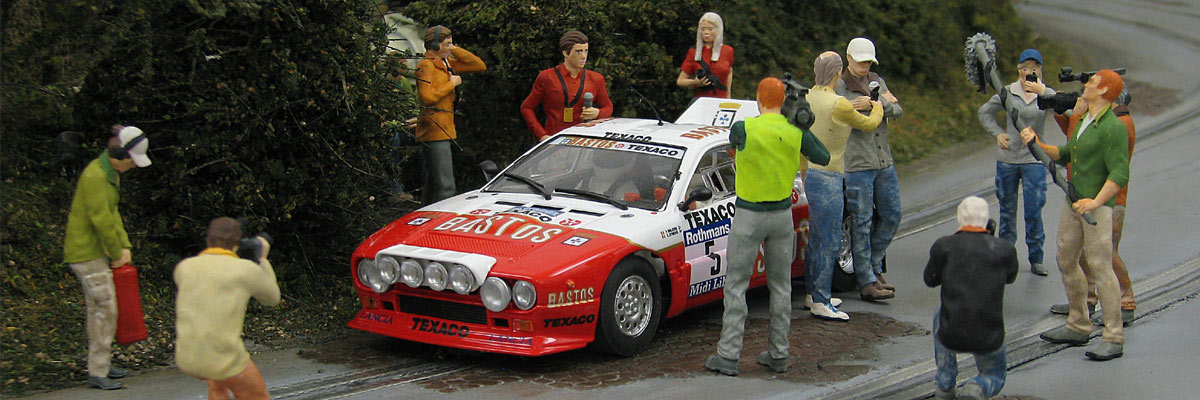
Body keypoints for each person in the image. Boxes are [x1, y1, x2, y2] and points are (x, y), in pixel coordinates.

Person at [704, 77, 830, 376]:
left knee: (737, 285)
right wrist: (800, 125)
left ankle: (729, 355)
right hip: (782, 215)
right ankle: (779, 354)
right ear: (784, 100)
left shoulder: (744, 128)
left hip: (749, 214)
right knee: (781, 287)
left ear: (758, 100)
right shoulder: (795, 130)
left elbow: (732, 143)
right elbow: (823, 157)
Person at [1022, 69, 1129, 361]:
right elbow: (1066, 154)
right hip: (1074, 200)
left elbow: (1120, 173)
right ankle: (1078, 323)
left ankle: (1113, 336)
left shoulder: (1113, 127)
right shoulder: (1083, 121)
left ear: (1104, 91)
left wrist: (1096, 202)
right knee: (1066, 257)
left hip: (1097, 208)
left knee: (1100, 266)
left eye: (1092, 83)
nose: (1085, 86)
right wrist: (1036, 144)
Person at [63, 125, 151, 390]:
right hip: (87, 253)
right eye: (131, 161)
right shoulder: (97, 177)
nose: (133, 166)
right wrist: (115, 253)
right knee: (104, 310)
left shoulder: (110, 174)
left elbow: (113, 214)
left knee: (101, 309)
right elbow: (101, 221)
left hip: (96, 251)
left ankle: (101, 362)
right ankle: (98, 370)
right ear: (118, 156)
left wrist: (123, 246)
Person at [804, 51, 885, 321]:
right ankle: (821, 300)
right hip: (831, 174)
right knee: (829, 240)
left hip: (812, 172)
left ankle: (812, 292)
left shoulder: (808, 96)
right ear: (838, 74)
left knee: (816, 238)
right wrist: (877, 105)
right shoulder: (838, 103)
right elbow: (869, 124)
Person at [1048, 89, 1137, 325]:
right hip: (1088, 195)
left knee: (1107, 252)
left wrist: (1077, 116)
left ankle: (1126, 301)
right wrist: (1061, 113)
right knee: (1082, 252)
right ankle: (1087, 298)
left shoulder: (1119, 124)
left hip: (1110, 200)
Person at [174, 217, 281, 400]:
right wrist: (262, 258)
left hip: (188, 358)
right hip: (225, 360)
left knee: (218, 382)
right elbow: (272, 298)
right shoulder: (246, 270)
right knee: (257, 395)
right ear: (237, 244)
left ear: (208, 240)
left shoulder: (184, 267)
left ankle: (217, 389)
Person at [924, 196, 1018, 400]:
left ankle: (945, 383)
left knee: (940, 312)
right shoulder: (1004, 249)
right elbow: (1010, 277)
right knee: (995, 374)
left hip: (951, 332)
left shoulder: (944, 246)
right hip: (988, 334)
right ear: (986, 220)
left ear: (959, 218)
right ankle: (977, 386)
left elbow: (930, 279)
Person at [835, 37, 905, 299]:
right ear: (849, 58)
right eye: (861, 62)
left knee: (892, 215)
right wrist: (859, 107)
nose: (865, 67)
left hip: (883, 160)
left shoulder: (877, 81)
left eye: (868, 62)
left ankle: (874, 267)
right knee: (861, 222)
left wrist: (876, 105)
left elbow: (897, 110)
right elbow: (835, 115)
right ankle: (866, 280)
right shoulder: (839, 86)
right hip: (857, 163)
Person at [977, 48, 1056, 276]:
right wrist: (998, 134)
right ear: (1018, 70)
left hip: (1034, 158)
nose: (1029, 72)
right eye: (1025, 68)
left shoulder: (1045, 93)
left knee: (1034, 208)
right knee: (1007, 210)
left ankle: (1036, 257)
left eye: (1034, 68)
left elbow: (1065, 109)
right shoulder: (1008, 93)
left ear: (1040, 70)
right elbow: (985, 112)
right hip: (1009, 159)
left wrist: (1044, 93)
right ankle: (1006, 257)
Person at [416, 25, 487, 204]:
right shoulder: (426, 65)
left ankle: (426, 215)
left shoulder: (444, 64)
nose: (450, 48)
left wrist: (454, 49)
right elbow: (427, 97)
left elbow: (478, 65)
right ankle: (441, 216)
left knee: (433, 184)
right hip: (435, 130)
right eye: (446, 44)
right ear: (435, 46)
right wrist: (451, 84)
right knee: (446, 187)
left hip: (444, 128)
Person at [520, 30, 614, 142]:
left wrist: (598, 113)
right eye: (578, 52)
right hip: (555, 139)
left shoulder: (596, 79)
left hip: (583, 140)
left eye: (586, 51)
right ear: (565, 52)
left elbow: (608, 107)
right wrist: (542, 135)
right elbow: (527, 107)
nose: (583, 56)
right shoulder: (547, 77)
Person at [676, 12, 734, 98]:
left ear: (718, 30)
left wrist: (728, 97)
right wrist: (695, 82)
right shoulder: (694, 52)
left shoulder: (727, 51)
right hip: (702, 99)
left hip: (721, 99)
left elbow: (729, 72)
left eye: (710, 29)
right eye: (703, 29)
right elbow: (680, 81)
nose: (706, 33)